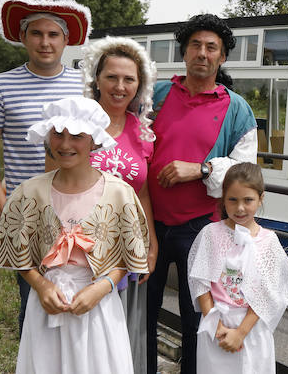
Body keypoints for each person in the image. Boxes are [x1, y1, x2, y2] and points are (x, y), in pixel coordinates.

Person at [0, 96, 149, 373]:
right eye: (57, 134)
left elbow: (128, 257)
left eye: (77, 135)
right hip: (47, 302)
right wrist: (41, 286)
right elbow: (20, 255)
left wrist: (101, 288)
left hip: (98, 301)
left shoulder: (119, 193)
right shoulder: (29, 193)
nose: (65, 144)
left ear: (94, 140)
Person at [146, 13, 258, 373]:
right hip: (147, 223)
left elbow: (246, 175)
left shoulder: (237, 110)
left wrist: (202, 168)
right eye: (196, 45)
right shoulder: (156, 96)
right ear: (184, 52)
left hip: (201, 228)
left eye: (212, 47)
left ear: (222, 57)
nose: (203, 53)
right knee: (142, 312)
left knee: (198, 318)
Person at [0, 0, 91, 331]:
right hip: (27, 210)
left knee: (81, 301)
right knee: (36, 301)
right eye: (36, 33)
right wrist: (5, 212)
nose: (45, 42)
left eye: (53, 34)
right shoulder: (0, 85)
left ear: (66, 40)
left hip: (80, 210)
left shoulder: (84, 86)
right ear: (23, 38)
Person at [82, 36, 158, 374]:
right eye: (111, 77)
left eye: (129, 79)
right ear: (96, 79)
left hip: (126, 248)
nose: (119, 86)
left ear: (139, 85)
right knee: (85, 332)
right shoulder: (78, 125)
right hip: (81, 246)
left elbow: (141, 193)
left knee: (122, 331)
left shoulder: (141, 132)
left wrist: (150, 242)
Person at [187, 162, 288, 373]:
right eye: (232, 200)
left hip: (251, 328)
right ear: (223, 199)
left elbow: (269, 294)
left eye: (248, 200)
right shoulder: (210, 234)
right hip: (216, 324)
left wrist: (241, 333)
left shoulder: (269, 242)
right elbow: (200, 282)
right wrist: (215, 324)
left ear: (261, 199)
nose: (240, 208)